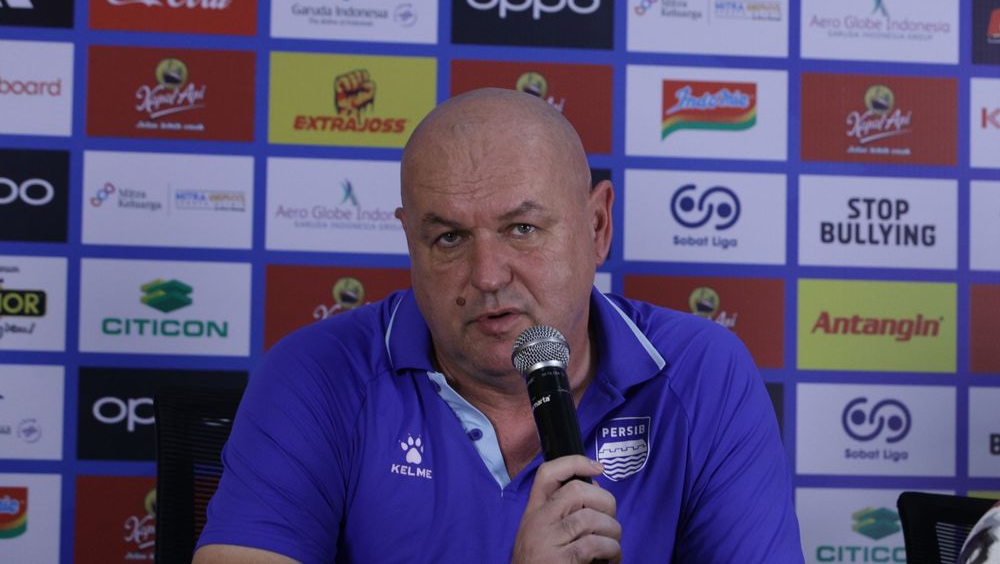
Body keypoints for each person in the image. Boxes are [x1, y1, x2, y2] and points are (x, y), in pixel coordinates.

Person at [193, 88, 803, 563]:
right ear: (410, 242)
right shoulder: (317, 373)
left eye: (522, 229)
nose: (487, 275)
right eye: (449, 237)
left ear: (597, 227)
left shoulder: (703, 374)